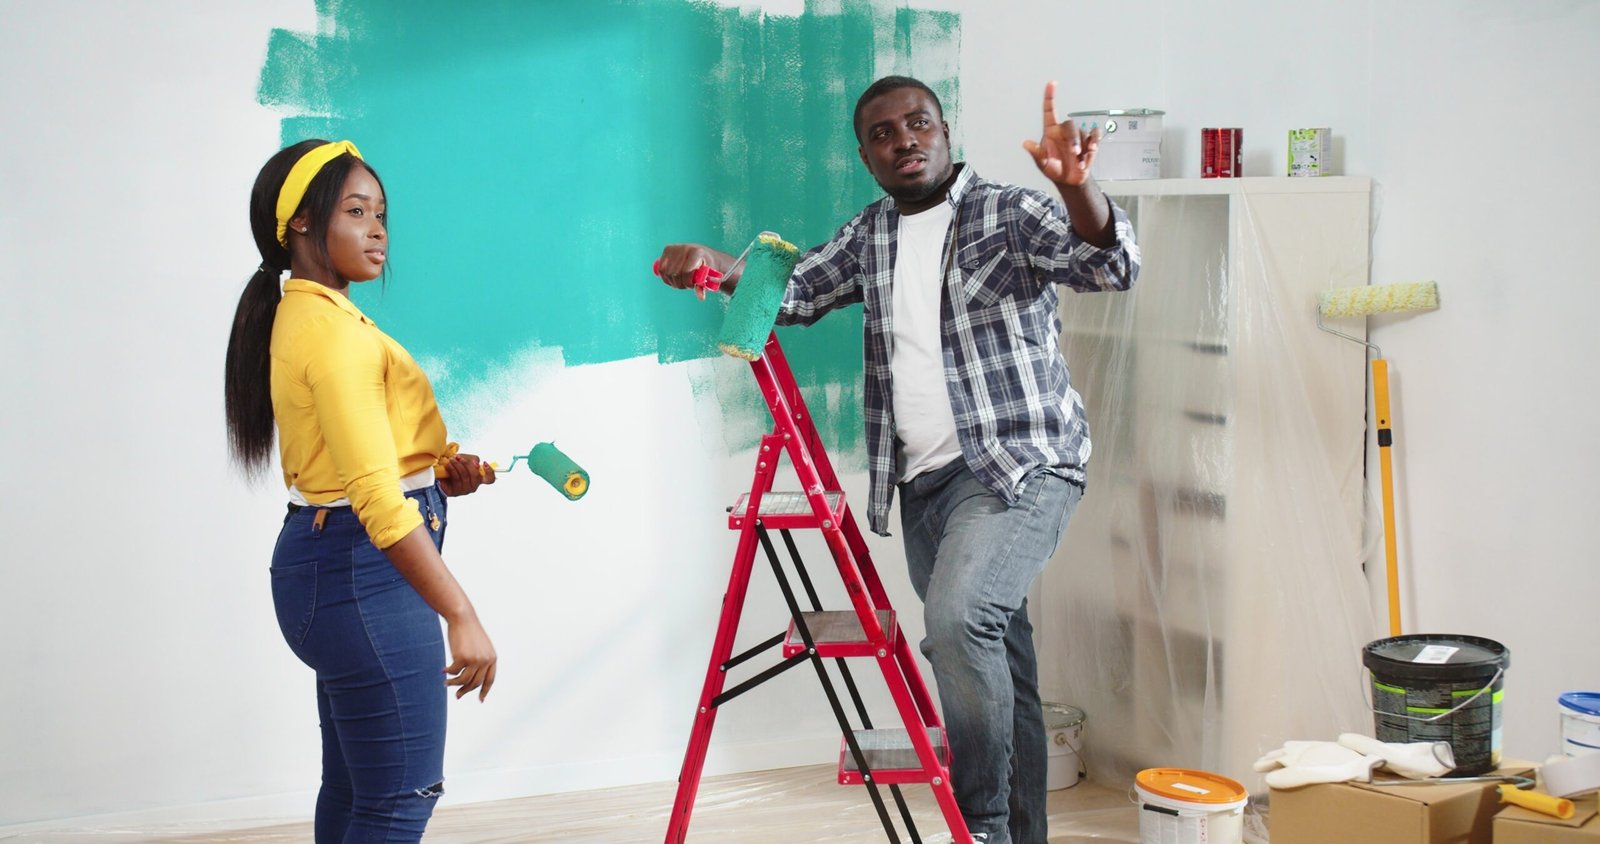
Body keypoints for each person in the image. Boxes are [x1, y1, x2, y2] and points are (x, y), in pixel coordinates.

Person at [654, 77, 1140, 843]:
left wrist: (1079, 191)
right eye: (883, 133)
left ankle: (977, 827)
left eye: (917, 123)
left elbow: (1110, 265)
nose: (903, 139)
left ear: (944, 131)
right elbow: (801, 289)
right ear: (866, 156)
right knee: (997, 653)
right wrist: (717, 259)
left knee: (957, 621)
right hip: (927, 487)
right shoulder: (870, 234)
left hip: (1019, 467)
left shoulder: (1008, 212)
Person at [224, 139, 499, 842]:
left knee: (358, 791)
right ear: (304, 225)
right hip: (361, 575)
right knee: (399, 798)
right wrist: (460, 614)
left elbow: (351, 464)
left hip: (333, 568)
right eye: (355, 211)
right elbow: (376, 500)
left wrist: (437, 474)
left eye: (381, 214)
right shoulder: (334, 335)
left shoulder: (313, 316)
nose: (377, 229)